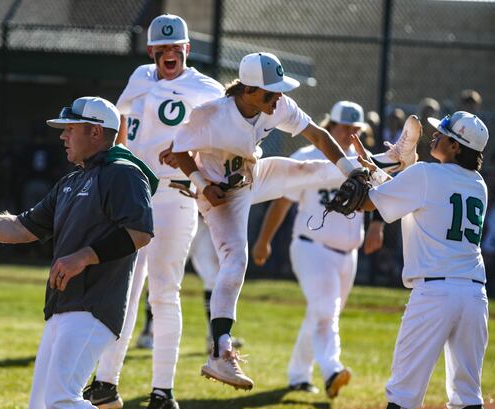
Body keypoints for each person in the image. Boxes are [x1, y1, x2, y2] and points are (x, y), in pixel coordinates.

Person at [168, 52, 419, 390]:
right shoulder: (212, 114)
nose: (278, 97)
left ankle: (390, 159)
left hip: (252, 173)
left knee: (308, 170)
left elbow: (319, 137)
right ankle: (221, 351)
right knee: (235, 261)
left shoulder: (278, 105)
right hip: (220, 192)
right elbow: (178, 151)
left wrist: (351, 172)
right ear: (248, 89)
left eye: (279, 90)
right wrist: (201, 184)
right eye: (270, 92)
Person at [0, 96, 155, 409]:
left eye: (70, 128)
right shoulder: (71, 181)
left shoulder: (123, 173)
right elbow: (23, 227)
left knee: (61, 399)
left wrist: (84, 256)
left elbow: (139, 232)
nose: (62, 136)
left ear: (96, 132)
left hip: (93, 306)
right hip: (63, 306)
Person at [82, 14, 223, 409]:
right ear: (151, 52)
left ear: (187, 49)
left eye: (176, 47)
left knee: (163, 292)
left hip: (175, 194)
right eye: (162, 49)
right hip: (136, 194)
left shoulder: (205, 87)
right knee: (123, 289)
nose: (169, 54)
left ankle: (163, 394)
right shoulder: (140, 76)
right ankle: (106, 382)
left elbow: (227, 124)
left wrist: (195, 156)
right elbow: (121, 121)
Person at [348, 111, 491, 409]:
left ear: (456, 147)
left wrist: (365, 172)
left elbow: (368, 203)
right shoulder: (478, 184)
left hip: (434, 295)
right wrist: (381, 171)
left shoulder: (425, 173)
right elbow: (419, 196)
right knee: (468, 398)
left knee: (403, 393)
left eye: (443, 134)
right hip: (474, 295)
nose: (435, 136)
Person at [250, 101, 387, 398]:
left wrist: (377, 225)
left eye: (355, 128)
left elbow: (383, 194)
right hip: (312, 248)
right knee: (326, 311)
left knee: (321, 314)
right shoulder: (307, 157)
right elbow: (282, 202)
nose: (349, 133)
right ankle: (332, 370)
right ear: (330, 126)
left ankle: (298, 375)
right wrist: (263, 240)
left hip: (348, 254)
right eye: (344, 127)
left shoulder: (363, 161)